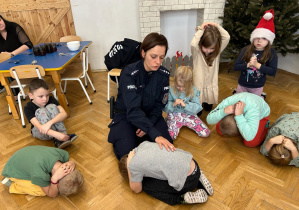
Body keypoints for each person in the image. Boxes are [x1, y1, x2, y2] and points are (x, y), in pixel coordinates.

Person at [108, 32, 175, 160]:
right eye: (153, 56)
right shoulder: (128, 73)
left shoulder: (164, 74)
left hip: (151, 116)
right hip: (126, 115)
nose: (158, 62)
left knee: (168, 149)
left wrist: (148, 124)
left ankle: (144, 139)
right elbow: (132, 110)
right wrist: (153, 133)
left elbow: (159, 105)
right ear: (143, 53)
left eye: (161, 57)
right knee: (128, 157)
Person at [119, 141, 213, 205]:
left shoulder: (133, 166)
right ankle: (199, 175)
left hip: (188, 182)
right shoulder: (143, 144)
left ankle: (181, 198)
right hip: (193, 163)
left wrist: (129, 168)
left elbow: (136, 189)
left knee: (144, 185)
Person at [1, 145, 84, 197]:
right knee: (41, 191)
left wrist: (72, 162)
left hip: (21, 157)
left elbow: (71, 162)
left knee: (46, 185)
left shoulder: (62, 154)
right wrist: (53, 180)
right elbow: (52, 194)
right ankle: (12, 185)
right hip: (12, 172)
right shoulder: (39, 174)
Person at [234, 9, 278, 97]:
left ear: (269, 41)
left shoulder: (272, 53)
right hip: (242, 84)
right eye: (257, 37)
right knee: (239, 102)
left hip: (257, 86)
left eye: (264, 38)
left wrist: (257, 65)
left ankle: (261, 97)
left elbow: (272, 71)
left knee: (254, 104)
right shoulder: (246, 49)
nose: (259, 40)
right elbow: (236, 66)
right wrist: (248, 65)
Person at [24, 79, 78, 149]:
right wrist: (56, 135)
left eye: (47, 95)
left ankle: (63, 134)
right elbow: (39, 127)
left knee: (51, 106)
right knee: (41, 110)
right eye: (41, 96)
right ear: (31, 96)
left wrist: (49, 123)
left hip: (49, 126)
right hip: (41, 131)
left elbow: (64, 114)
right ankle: (57, 139)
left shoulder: (51, 99)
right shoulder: (28, 108)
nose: (45, 99)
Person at [191, 22, 230, 113]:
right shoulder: (197, 52)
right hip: (198, 85)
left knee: (208, 109)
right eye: (206, 47)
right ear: (201, 44)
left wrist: (215, 25)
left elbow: (227, 37)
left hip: (210, 84)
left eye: (212, 48)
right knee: (198, 112)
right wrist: (201, 29)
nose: (208, 51)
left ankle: (206, 103)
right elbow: (193, 43)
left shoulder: (216, 52)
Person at [164, 66, 210, 140]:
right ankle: (169, 120)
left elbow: (198, 107)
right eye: (178, 86)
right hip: (175, 114)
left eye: (184, 87)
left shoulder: (193, 90)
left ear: (190, 81)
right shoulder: (170, 90)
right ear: (174, 79)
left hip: (189, 114)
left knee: (205, 133)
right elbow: (164, 107)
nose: (181, 89)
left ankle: (176, 122)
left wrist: (186, 105)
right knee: (170, 136)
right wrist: (173, 104)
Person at [0, 15, 33, 93]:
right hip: (6, 63)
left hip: (23, 58)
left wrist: (12, 54)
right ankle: (11, 90)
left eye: (0, 20)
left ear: (2, 19)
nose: (0, 24)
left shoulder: (14, 27)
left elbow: (28, 44)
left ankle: (15, 91)